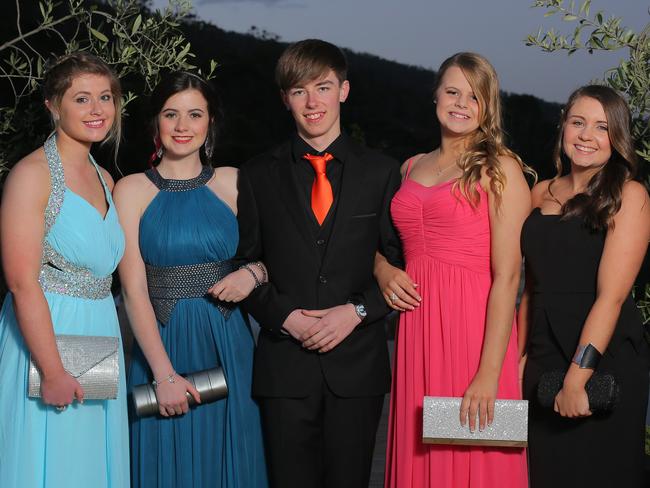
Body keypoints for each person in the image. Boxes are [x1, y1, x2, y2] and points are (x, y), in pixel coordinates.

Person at [235, 39, 403, 488]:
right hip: (284, 369)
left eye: (323, 87)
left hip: (358, 369)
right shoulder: (257, 174)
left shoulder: (383, 173)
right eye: (298, 91)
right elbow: (246, 264)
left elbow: (398, 264)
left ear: (344, 91)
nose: (312, 103)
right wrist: (285, 318)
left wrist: (358, 312)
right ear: (285, 99)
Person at [375, 52, 531, 487]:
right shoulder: (409, 166)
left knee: (472, 449)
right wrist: (383, 270)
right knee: (419, 451)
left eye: (475, 96)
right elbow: (378, 246)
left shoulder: (500, 168)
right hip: (416, 327)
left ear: (488, 107)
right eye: (453, 91)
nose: (462, 103)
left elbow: (509, 278)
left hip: (473, 327)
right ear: (436, 96)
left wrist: (488, 373)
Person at [113, 72, 267, 488]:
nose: (183, 126)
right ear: (155, 125)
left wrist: (252, 274)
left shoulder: (234, 182)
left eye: (195, 114)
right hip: (162, 344)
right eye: (171, 114)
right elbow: (133, 290)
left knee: (232, 459)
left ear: (210, 122)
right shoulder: (130, 191)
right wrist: (163, 374)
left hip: (229, 340)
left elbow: (277, 256)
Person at [0, 52, 129, 487]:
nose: (97, 110)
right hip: (50, 336)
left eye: (105, 97)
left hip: (100, 334)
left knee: (89, 462)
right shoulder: (32, 176)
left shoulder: (106, 179)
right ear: (53, 106)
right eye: (82, 99)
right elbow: (21, 283)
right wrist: (52, 370)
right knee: (54, 461)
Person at [520, 85, 650, 487]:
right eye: (578, 122)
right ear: (563, 126)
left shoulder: (629, 195)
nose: (586, 135)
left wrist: (577, 378)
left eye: (601, 127)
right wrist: (518, 357)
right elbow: (529, 288)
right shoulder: (540, 192)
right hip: (542, 354)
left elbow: (611, 297)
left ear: (618, 138)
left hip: (602, 357)